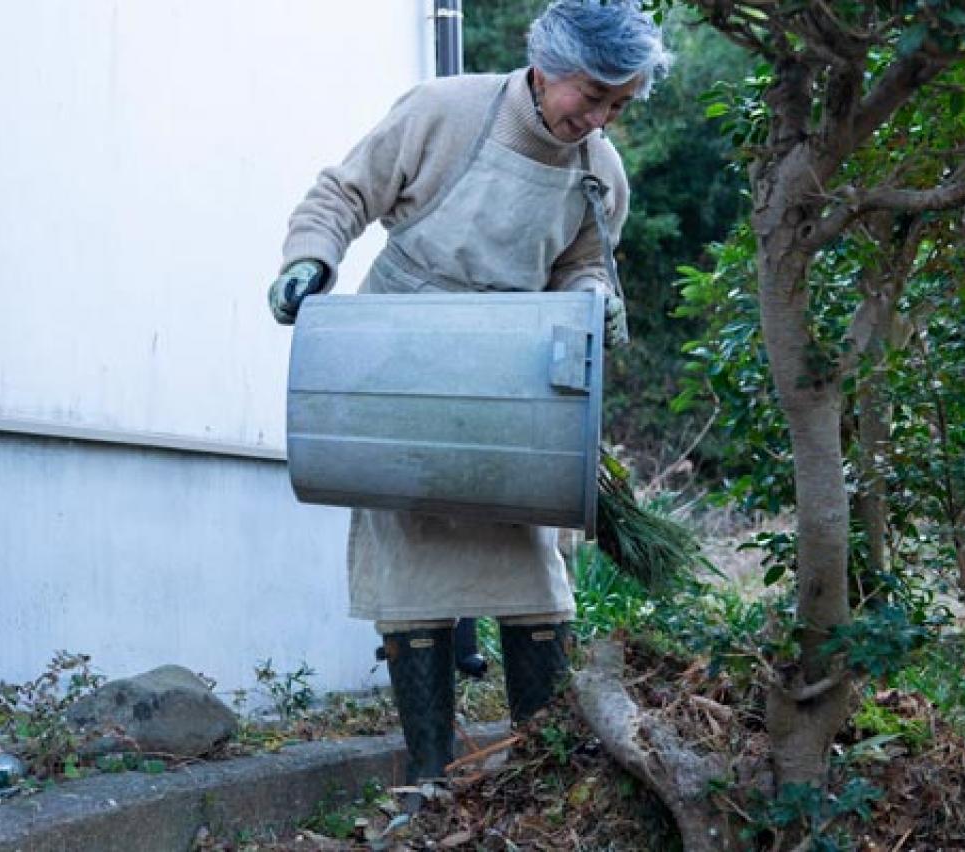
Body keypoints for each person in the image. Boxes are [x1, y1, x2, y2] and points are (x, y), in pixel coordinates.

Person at [266, 0, 670, 794]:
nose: (597, 118)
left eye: (618, 105)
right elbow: (342, 195)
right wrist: (309, 261)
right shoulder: (441, 111)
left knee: (532, 569)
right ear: (544, 66)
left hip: (514, 382)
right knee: (409, 564)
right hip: (398, 359)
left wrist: (596, 301)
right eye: (588, 96)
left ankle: (542, 780)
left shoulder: (599, 171)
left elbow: (582, 267)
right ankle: (428, 776)